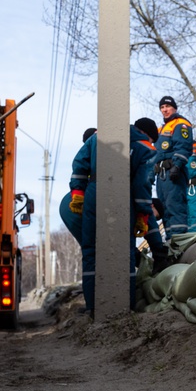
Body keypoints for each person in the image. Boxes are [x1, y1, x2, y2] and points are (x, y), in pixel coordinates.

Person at [68, 118, 160, 316]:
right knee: (124, 251)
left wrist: (78, 192)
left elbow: (80, 161)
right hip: (121, 195)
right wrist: (143, 214)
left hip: (95, 191)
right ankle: (126, 306)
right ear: (149, 135)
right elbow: (142, 184)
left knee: (91, 250)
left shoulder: (100, 135)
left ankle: (93, 306)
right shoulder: (146, 148)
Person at [153, 96, 191, 239]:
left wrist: (177, 165)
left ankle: (179, 242)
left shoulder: (181, 124)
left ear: (174, 108)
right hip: (161, 176)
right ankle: (170, 241)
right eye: (162, 107)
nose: (165, 110)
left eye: (167, 106)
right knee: (165, 210)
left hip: (173, 173)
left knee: (175, 207)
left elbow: (183, 147)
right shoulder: (161, 129)